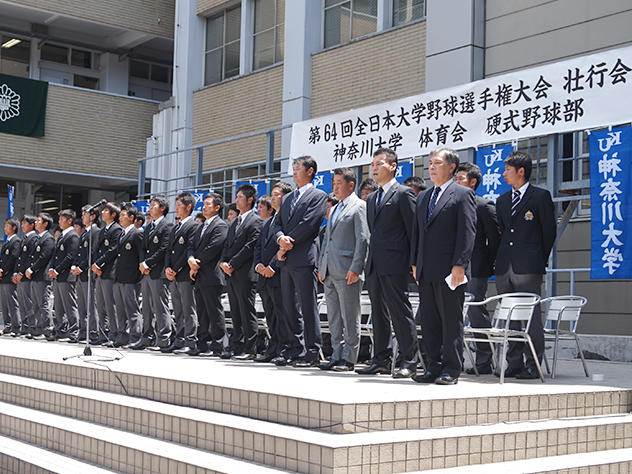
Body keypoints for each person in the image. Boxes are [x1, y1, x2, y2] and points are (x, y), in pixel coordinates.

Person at [410, 147, 477, 386]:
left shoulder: (461, 194)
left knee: (450, 320)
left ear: (451, 167)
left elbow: (467, 233)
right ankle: (432, 365)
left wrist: (460, 265)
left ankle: (451, 368)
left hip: (450, 271)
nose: (431, 167)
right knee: (429, 320)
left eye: (437, 163)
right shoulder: (423, 197)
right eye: (429, 163)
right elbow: (417, 233)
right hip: (426, 269)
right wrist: (415, 262)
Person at [495, 151, 556, 379]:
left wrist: (538, 259)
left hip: (528, 266)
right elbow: (502, 232)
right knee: (510, 317)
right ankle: (514, 363)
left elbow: (548, 233)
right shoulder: (502, 201)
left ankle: (533, 363)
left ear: (521, 171)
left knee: (530, 316)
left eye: (507, 170)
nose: (504, 174)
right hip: (505, 266)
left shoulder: (540, 197)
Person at [357, 148, 417, 378]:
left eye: (379, 163)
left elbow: (413, 231)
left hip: (396, 263)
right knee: (378, 313)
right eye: (372, 164)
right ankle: (381, 358)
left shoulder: (404, 194)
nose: (374, 168)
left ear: (393, 166)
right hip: (374, 264)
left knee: (400, 312)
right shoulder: (372, 198)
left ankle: (408, 360)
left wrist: (413, 263)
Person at [273, 156, 327, 367]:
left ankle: (312, 350)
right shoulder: (288, 198)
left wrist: (288, 241)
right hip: (286, 259)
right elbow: (278, 222)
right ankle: (294, 348)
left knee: (307, 305)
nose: (294, 173)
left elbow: (310, 224)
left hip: (304, 258)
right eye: (293, 169)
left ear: (310, 171)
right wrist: (280, 238)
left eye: (298, 169)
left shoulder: (318, 196)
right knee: (289, 306)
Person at [318, 168, 369, 372]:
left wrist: (356, 267)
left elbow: (363, 239)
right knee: (334, 317)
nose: (335, 187)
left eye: (339, 183)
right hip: (330, 270)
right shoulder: (336, 208)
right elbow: (327, 241)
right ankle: (336, 355)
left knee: (350, 316)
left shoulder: (359, 207)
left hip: (348, 270)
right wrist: (322, 266)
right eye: (334, 183)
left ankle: (349, 358)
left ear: (351, 185)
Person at [455, 162, 500, 375]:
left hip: (476, 269)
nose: (456, 181)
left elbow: (495, 240)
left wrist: (485, 264)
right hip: (453, 268)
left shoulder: (483, 206)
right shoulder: (452, 203)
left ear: (473, 182)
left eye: (461, 178)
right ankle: (455, 358)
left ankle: (484, 360)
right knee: (453, 313)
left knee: (476, 312)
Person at [220, 184, 263, 360]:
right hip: (231, 273)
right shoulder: (235, 222)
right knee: (235, 311)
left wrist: (232, 263)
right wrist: (223, 262)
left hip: (245, 273)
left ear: (250, 199)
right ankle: (236, 345)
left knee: (246, 311)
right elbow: (227, 245)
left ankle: (250, 348)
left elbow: (250, 246)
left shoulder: (256, 221)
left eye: (239, 197)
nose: (236, 200)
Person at [253, 182, 293, 363]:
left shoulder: (288, 219)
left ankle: (284, 348)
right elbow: (259, 247)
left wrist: (272, 267)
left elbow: (286, 247)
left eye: (277, 194)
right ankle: (273, 347)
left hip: (278, 274)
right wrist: (259, 266)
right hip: (264, 276)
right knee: (270, 314)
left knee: (281, 314)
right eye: (272, 194)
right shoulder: (268, 222)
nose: (273, 197)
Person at [188, 193, 229, 356]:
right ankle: (202, 344)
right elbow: (191, 245)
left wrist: (196, 264)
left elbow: (213, 248)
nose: (204, 207)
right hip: (198, 274)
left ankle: (219, 345)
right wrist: (190, 259)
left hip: (211, 275)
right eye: (203, 204)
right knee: (202, 312)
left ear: (217, 208)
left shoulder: (221, 226)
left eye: (208, 205)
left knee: (214, 311)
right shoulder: (200, 226)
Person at [135, 195, 173, 350]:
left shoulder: (167, 226)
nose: (150, 207)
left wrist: (148, 263)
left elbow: (164, 249)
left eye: (154, 205)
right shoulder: (149, 226)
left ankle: (164, 338)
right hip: (146, 272)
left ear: (162, 208)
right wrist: (142, 263)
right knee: (147, 307)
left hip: (158, 272)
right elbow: (143, 248)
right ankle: (147, 336)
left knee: (160, 306)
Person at [163, 192, 199, 354]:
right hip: (173, 275)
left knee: (188, 309)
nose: (176, 209)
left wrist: (175, 269)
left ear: (188, 207)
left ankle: (190, 341)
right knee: (177, 309)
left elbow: (187, 251)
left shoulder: (193, 226)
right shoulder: (176, 226)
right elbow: (168, 250)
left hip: (184, 274)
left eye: (179, 205)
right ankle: (179, 339)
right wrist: (167, 268)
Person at [91, 202, 123, 345]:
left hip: (109, 271)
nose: (102, 212)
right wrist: (95, 264)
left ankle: (114, 334)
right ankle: (102, 333)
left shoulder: (116, 229)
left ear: (113, 214)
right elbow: (97, 250)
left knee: (111, 305)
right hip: (99, 272)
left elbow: (113, 250)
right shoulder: (103, 230)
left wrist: (99, 263)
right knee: (101, 305)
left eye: (105, 210)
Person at [113, 204, 144, 347]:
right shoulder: (122, 233)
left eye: (123, 215)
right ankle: (122, 335)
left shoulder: (137, 234)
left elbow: (140, 256)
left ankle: (135, 336)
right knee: (119, 308)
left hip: (131, 277)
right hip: (119, 277)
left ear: (131, 218)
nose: (120, 217)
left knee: (132, 308)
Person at [48, 209, 80, 341]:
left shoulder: (72, 236)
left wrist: (58, 270)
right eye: (59, 219)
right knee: (59, 305)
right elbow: (56, 256)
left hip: (66, 276)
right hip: (58, 276)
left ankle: (73, 331)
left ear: (70, 220)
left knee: (69, 304)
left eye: (62, 219)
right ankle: (60, 329)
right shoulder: (62, 235)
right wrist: (52, 268)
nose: (59, 221)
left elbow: (70, 256)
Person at [71, 205, 100, 343]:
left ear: (93, 216)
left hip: (88, 273)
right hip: (80, 274)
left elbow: (92, 253)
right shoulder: (84, 233)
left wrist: (81, 268)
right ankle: (82, 331)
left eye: (85, 214)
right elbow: (78, 253)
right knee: (81, 305)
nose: (83, 217)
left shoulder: (96, 232)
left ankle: (93, 332)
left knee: (90, 306)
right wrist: (74, 266)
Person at [25, 213, 55, 340]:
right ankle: (37, 329)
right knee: (36, 304)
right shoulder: (38, 238)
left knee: (43, 303)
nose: (36, 223)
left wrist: (32, 269)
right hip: (35, 276)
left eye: (38, 221)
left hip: (42, 276)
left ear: (45, 224)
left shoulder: (48, 239)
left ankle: (45, 329)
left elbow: (44, 257)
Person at [12, 215, 37, 337]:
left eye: (25, 223)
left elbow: (29, 259)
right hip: (20, 276)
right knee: (22, 302)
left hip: (26, 276)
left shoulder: (33, 238)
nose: (22, 226)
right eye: (21, 223)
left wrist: (21, 273)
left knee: (28, 302)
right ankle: (24, 326)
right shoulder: (24, 239)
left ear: (32, 225)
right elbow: (19, 258)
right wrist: (15, 272)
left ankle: (31, 327)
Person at [0, 218, 22, 335]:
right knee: (4, 303)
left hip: (9, 277)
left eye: (7, 225)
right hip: (3, 277)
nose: (5, 227)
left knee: (12, 302)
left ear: (14, 227)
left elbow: (13, 258)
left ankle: (16, 327)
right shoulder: (7, 241)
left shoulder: (16, 241)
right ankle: (7, 325)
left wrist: (3, 270)